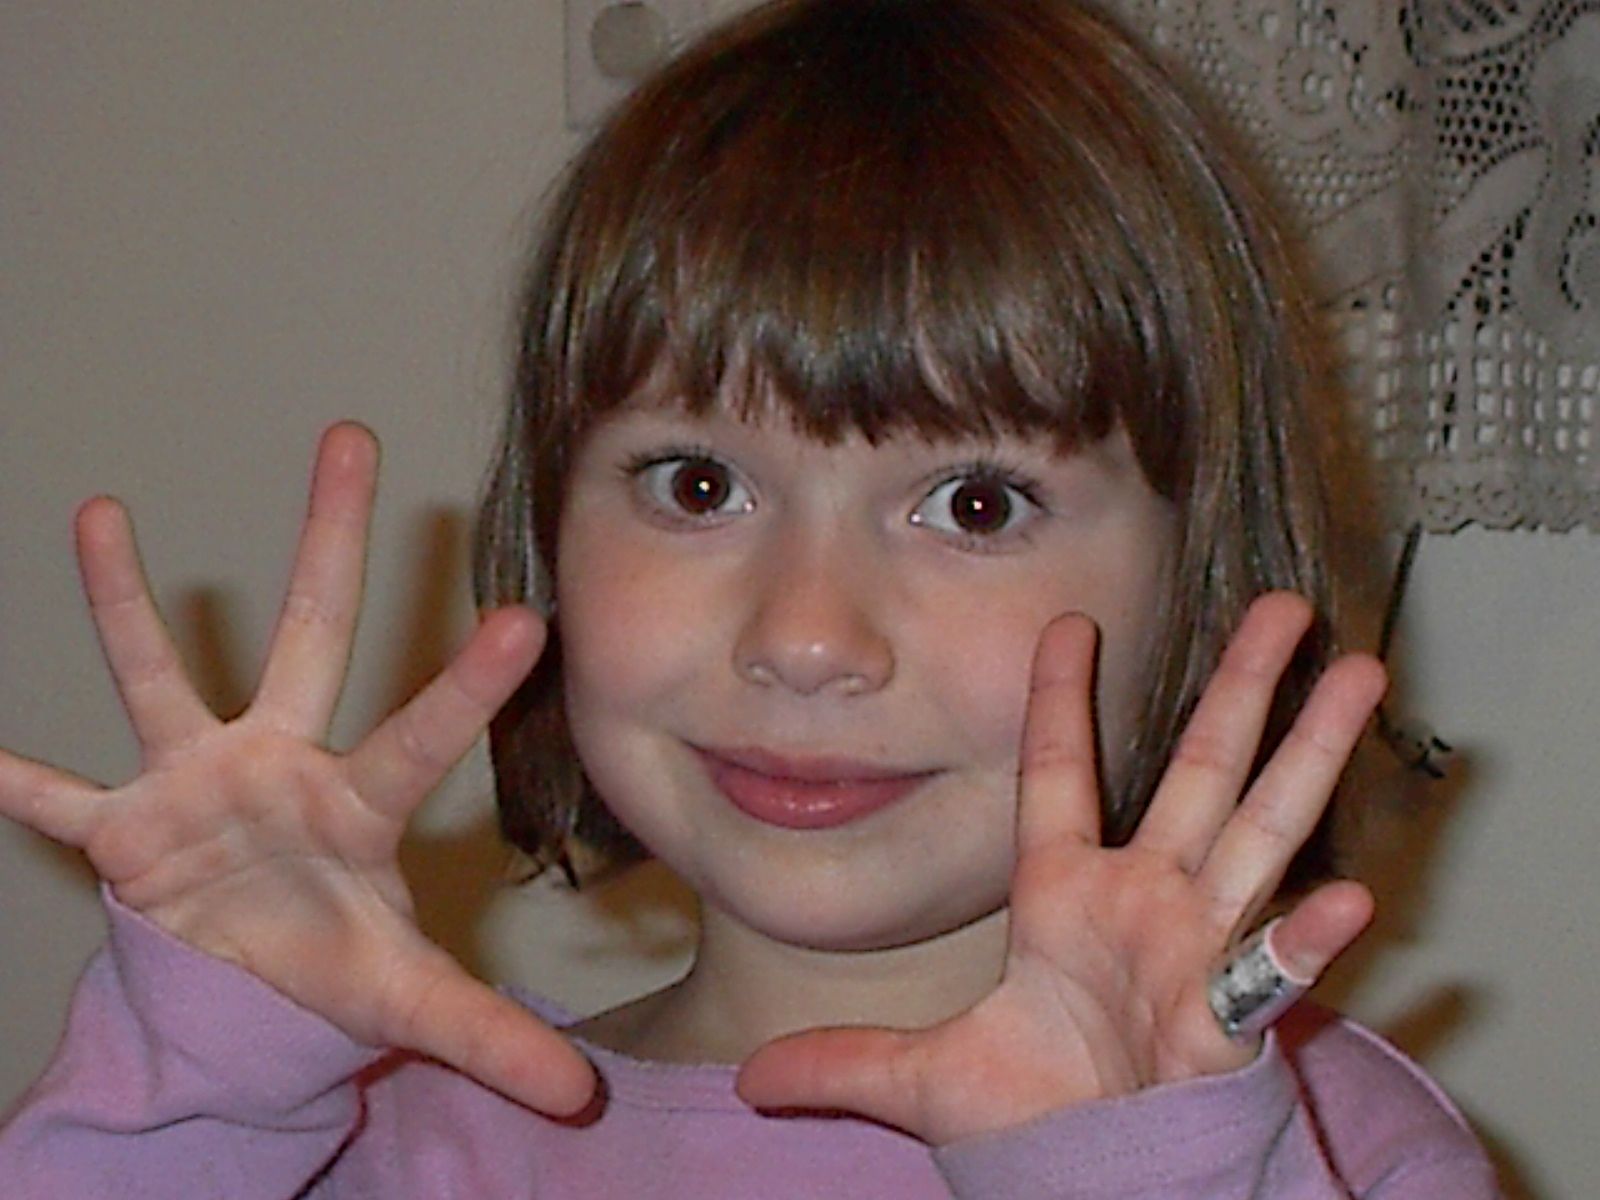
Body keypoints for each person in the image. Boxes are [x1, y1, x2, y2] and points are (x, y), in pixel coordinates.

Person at [0, 0, 1499, 1194]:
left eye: (974, 503)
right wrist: (191, 1081)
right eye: (698, 487)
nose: (803, 635)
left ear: (1206, 585)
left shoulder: (1329, 1156)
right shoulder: (363, 1146)